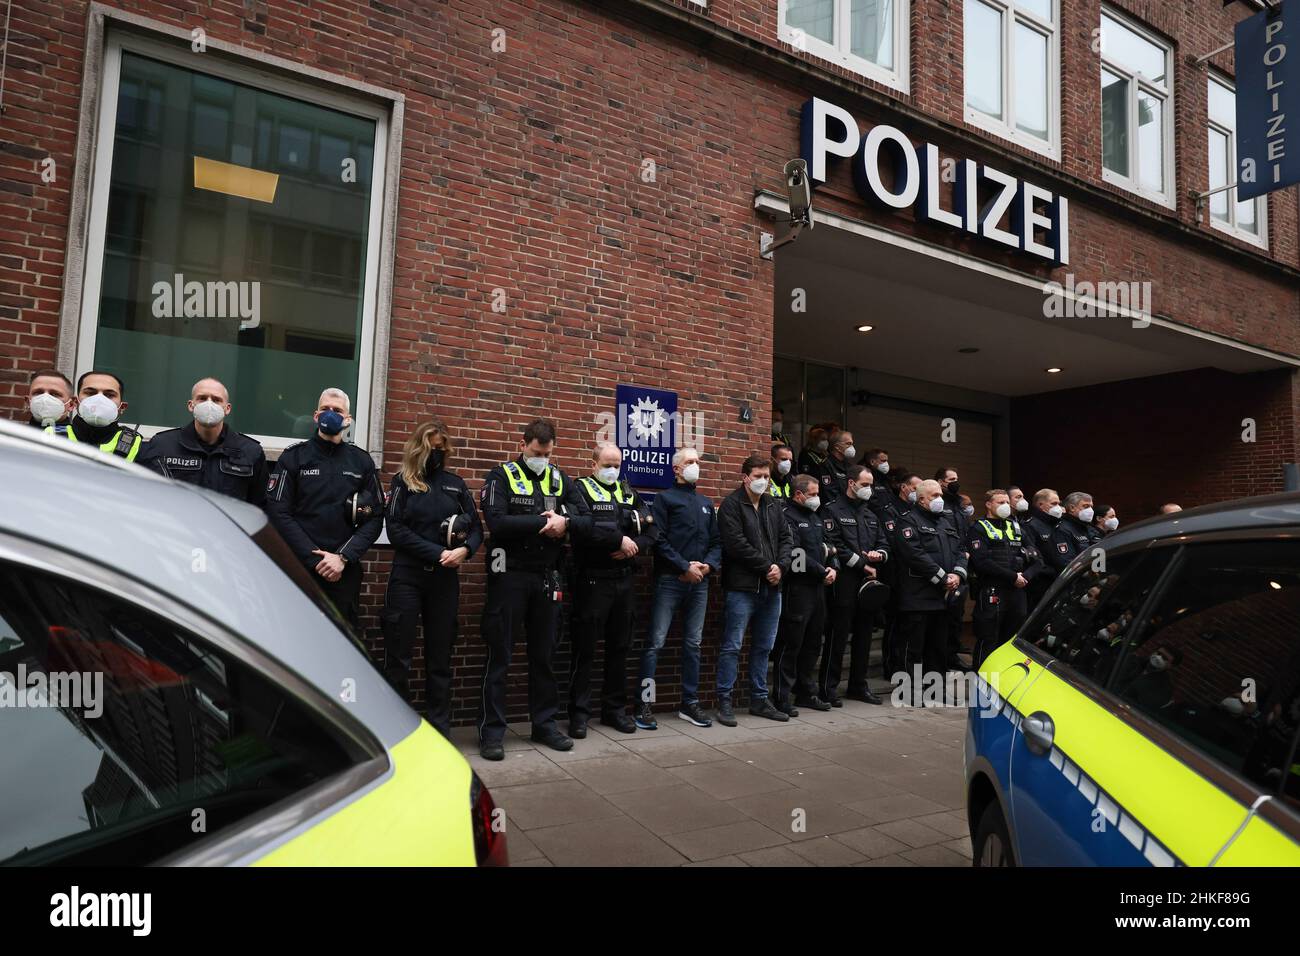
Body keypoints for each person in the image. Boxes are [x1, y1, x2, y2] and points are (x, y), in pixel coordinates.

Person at [476, 418, 586, 759]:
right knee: (500, 655)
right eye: (538, 453)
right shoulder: (501, 476)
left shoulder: (560, 478)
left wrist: (566, 521)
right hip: (509, 575)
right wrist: (544, 522)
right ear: (523, 445)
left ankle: (544, 725)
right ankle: (492, 733)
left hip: (547, 575)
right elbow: (497, 521)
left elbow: (584, 516)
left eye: (548, 454)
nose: (543, 459)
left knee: (544, 656)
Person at [379, 419, 481, 738]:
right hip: (407, 578)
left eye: (441, 448)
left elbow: (476, 529)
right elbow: (396, 530)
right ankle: (398, 727)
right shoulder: (402, 482)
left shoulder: (455, 485)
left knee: (440, 658)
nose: (436, 453)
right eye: (431, 448)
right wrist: (438, 552)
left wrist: (465, 550)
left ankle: (439, 729)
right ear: (417, 448)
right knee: (399, 656)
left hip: (444, 582)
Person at [265, 387, 384, 630]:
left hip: (344, 571)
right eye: (325, 409)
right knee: (295, 635)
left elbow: (375, 516)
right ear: (316, 416)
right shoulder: (294, 457)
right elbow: (278, 512)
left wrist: (343, 557)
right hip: (301, 568)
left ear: (347, 419)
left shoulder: (361, 461)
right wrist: (315, 559)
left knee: (343, 641)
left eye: (337, 410)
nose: (330, 414)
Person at [566, 442, 655, 737]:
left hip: (624, 580)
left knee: (620, 648)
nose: (613, 470)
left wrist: (634, 546)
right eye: (607, 465)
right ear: (593, 464)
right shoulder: (579, 489)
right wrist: (618, 540)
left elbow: (652, 529)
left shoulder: (628, 492)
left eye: (617, 465)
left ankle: (614, 710)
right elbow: (580, 527)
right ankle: (579, 714)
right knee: (585, 650)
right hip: (592, 580)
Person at [638, 447, 721, 730]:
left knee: (693, 644)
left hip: (700, 583)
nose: (695, 465)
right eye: (690, 461)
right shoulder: (664, 499)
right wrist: (684, 567)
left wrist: (707, 566)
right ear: (676, 469)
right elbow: (658, 540)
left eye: (698, 461)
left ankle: (689, 703)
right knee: (655, 643)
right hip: (670, 581)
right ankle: (644, 704)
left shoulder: (706, 503)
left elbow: (717, 542)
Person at [717, 453, 793, 725]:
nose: (764, 481)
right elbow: (735, 544)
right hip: (742, 587)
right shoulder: (731, 505)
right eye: (758, 476)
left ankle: (759, 700)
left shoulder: (773, 504)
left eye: (767, 476)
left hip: (772, 588)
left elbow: (786, 539)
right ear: (745, 478)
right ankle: (724, 701)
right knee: (732, 646)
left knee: (764, 646)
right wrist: (767, 567)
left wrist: (780, 567)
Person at [892, 479, 968, 703]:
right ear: (922, 499)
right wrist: (942, 578)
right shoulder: (908, 521)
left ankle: (935, 690)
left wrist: (957, 575)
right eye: (935, 496)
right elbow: (914, 555)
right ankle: (908, 691)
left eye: (940, 495)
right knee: (912, 648)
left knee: (938, 647)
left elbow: (961, 551)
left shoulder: (946, 522)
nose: (940, 499)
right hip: (917, 595)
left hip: (943, 598)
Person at [138, 377, 268, 504]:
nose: (209, 404)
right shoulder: (162, 445)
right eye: (202, 398)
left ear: (227, 408)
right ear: (191, 405)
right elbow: (148, 497)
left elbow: (259, 506)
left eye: (216, 400)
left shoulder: (250, 452)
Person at [821, 464, 889, 705]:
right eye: (865, 485)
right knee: (838, 636)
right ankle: (828, 688)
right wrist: (862, 564)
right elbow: (834, 545)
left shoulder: (871, 515)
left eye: (871, 485)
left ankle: (858, 686)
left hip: (868, 583)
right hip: (845, 581)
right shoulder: (832, 510)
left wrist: (879, 555)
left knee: (864, 636)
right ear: (851, 483)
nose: (869, 489)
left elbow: (884, 543)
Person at [770, 473, 837, 716]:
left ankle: (806, 692)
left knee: (812, 643)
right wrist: (822, 571)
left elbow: (830, 547)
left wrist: (833, 567)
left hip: (818, 589)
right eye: (813, 494)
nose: (817, 498)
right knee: (791, 643)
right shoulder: (788, 517)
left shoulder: (815, 517)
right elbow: (795, 555)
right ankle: (781, 696)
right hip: (797, 590)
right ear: (798, 494)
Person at [967, 489, 1041, 668]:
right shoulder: (979, 528)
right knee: (988, 638)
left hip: (1018, 591)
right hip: (993, 590)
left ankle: (1003, 677)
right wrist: (1013, 576)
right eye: (1000, 502)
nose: (1005, 506)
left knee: (1011, 639)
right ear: (988, 504)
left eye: (1007, 502)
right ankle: (981, 678)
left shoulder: (1016, 527)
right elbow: (981, 562)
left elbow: (1038, 560)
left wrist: (1025, 577)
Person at [877, 469, 919, 678]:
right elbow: (895, 541)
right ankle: (890, 666)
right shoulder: (889, 510)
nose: (918, 492)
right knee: (894, 622)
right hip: (895, 573)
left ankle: (905, 665)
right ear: (904, 487)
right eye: (915, 488)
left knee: (909, 625)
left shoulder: (917, 511)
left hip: (914, 576)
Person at [46, 371, 142, 461]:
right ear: (75, 402)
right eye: (90, 393)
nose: (99, 400)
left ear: (122, 407)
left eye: (109, 395)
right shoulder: (50, 435)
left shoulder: (138, 446)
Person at [935, 467, 969, 671]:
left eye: (957, 478)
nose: (955, 482)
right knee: (942, 618)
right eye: (951, 479)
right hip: (944, 564)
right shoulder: (939, 504)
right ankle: (939, 659)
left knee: (957, 615)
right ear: (941, 482)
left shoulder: (959, 504)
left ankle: (952, 656)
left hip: (960, 563)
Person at [1022, 488, 1063, 610]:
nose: (1058, 507)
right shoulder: (1030, 525)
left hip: (1059, 580)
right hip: (1041, 583)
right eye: (1053, 504)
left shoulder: (1058, 525)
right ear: (1041, 505)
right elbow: (1032, 557)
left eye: (1059, 504)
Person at [1050, 492, 1097, 572]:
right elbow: (1067, 563)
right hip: (1080, 577)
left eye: (1091, 507)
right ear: (1072, 508)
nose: (1090, 510)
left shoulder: (1089, 528)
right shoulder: (1062, 530)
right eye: (1086, 506)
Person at [819, 429, 856, 503]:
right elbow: (829, 492)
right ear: (837, 447)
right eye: (848, 444)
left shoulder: (849, 465)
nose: (851, 447)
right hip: (835, 507)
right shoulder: (826, 465)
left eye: (852, 444)